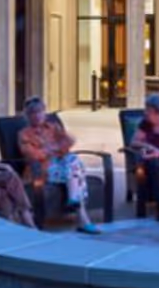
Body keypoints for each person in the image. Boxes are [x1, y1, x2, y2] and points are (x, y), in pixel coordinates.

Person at [18, 96, 100, 235]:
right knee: (75, 171)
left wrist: (53, 147)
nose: (37, 116)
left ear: (45, 113)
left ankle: (75, 203)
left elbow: (70, 141)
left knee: (73, 160)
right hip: (41, 170)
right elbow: (33, 155)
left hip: (62, 166)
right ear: (28, 116)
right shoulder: (24, 134)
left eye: (40, 112)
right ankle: (83, 218)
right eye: (33, 113)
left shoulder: (53, 127)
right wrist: (53, 148)